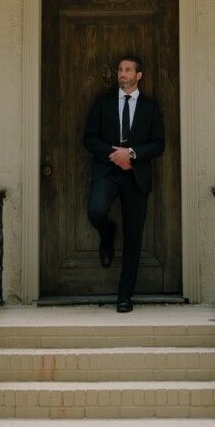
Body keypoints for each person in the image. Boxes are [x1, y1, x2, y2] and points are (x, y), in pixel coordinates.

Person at [83, 55, 165, 312]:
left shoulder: (150, 107)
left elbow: (158, 144)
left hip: (136, 176)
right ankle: (107, 233)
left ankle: (124, 295)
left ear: (138, 75)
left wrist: (131, 154)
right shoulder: (103, 103)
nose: (122, 74)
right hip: (108, 171)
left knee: (133, 236)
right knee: (95, 210)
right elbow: (89, 137)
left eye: (128, 70)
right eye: (120, 70)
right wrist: (115, 156)